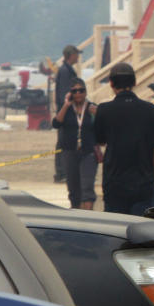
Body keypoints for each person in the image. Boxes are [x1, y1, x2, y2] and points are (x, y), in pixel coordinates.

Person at [93, 63, 154, 216]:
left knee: (116, 232)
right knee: (143, 232)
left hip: (114, 183)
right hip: (143, 184)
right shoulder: (150, 110)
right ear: (134, 82)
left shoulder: (104, 110)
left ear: (111, 83)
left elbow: (100, 141)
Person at [52, 78, 97, 209]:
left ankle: (89, 216)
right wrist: (66, 104)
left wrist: (97, 114)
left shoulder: (92, 107)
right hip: (69, 152)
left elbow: (102, 127)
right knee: (73, 189)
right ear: (71, 93)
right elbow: (56, 123)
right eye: (75, 91)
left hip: (88, 152)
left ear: (85, 92)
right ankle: (76, 216)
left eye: (81, 90)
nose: (78, 94)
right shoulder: (67, 109)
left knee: (87, 188)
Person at [54, 44, 80, 184]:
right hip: (65, 111)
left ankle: (63, 171)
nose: (78, 56)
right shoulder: (65, 71)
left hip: (66, 111)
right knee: (62, 141)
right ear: (71, 55)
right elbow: (66, 93)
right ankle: (61, 172)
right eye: (77, 54)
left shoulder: (67, 70)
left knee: (64, 140)